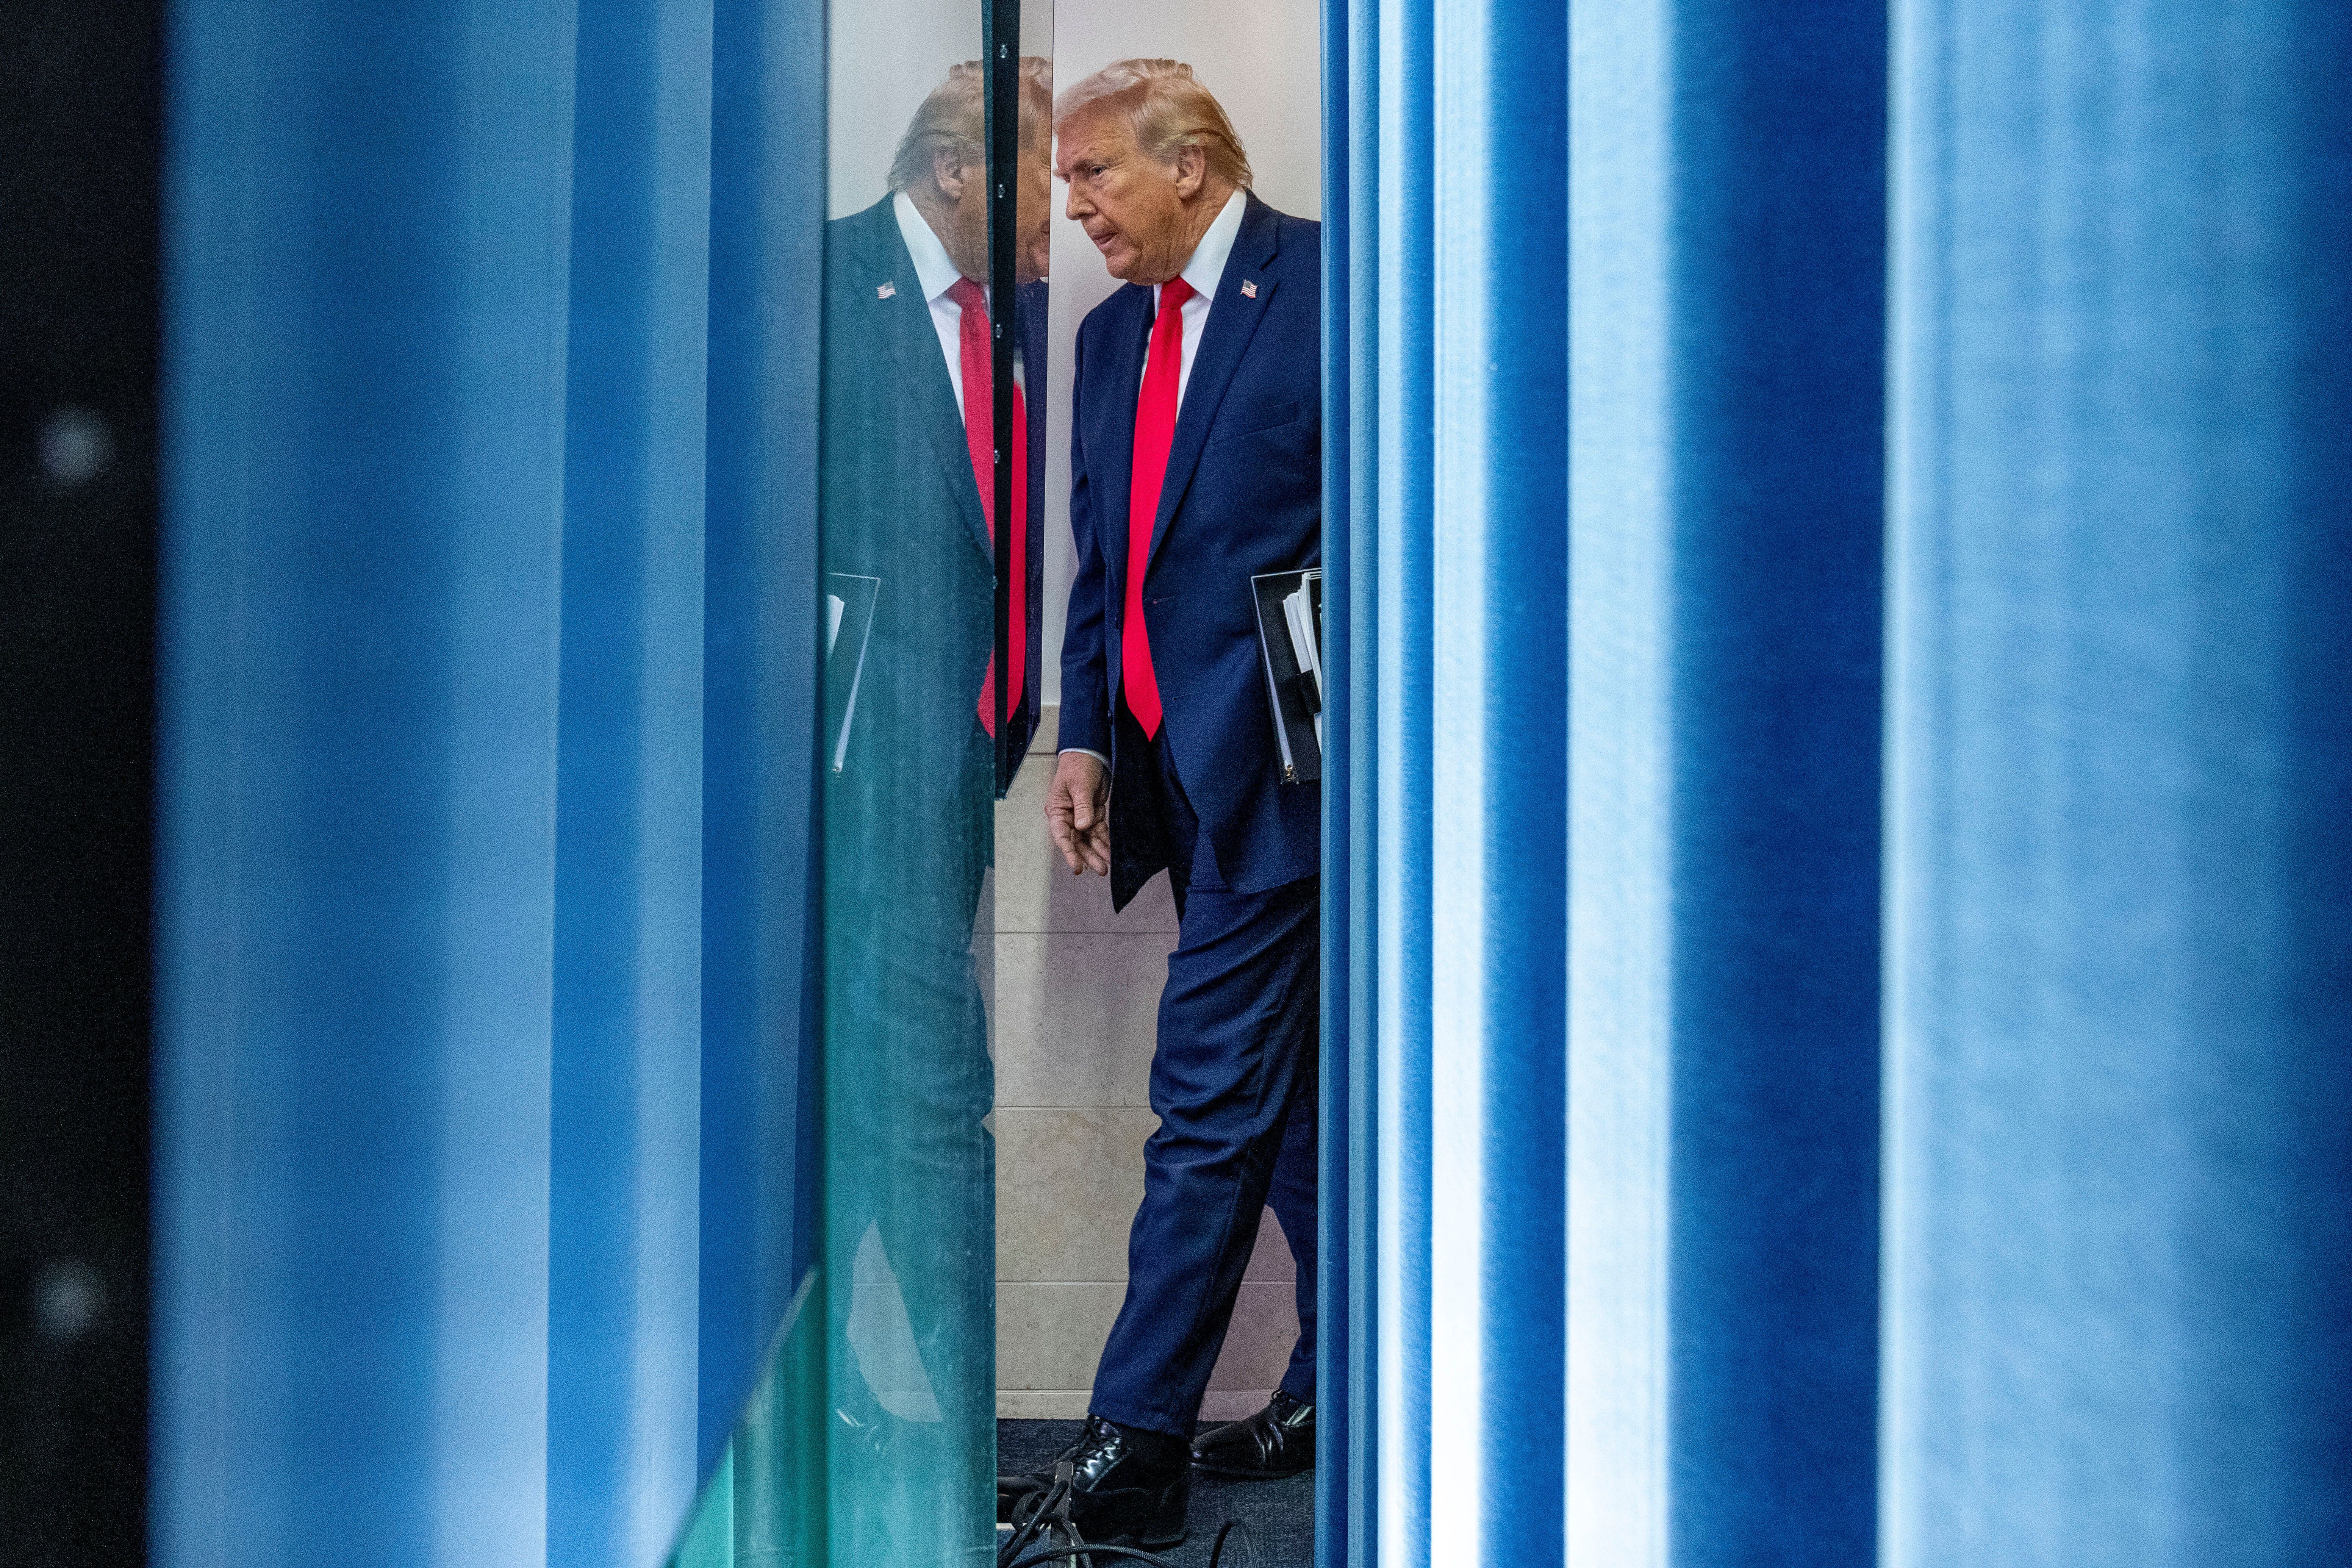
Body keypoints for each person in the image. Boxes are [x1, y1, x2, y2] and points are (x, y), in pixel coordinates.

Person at [1040, 57, 1322, 1549]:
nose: (1070, 202)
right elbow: (1107, 567)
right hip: (1177, 775)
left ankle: (1133, 1443)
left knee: (1208, 1104)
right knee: (1290, 1118)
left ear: (1192, 167)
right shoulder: (1106, 344)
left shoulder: (1333, 290)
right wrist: (1084, 737)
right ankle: (1342, 1376)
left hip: (1298, 778)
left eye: (1093, 173)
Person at [817, 56, 1051, 1562]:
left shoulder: (998, 321)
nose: (1058, 231)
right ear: (958, 172)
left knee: (868, 1104)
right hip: (849, 786)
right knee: (932, 1112)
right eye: (1043, 185)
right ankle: (958, 1439)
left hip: (948, 781)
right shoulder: (823, 287)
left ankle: (836, 1405)